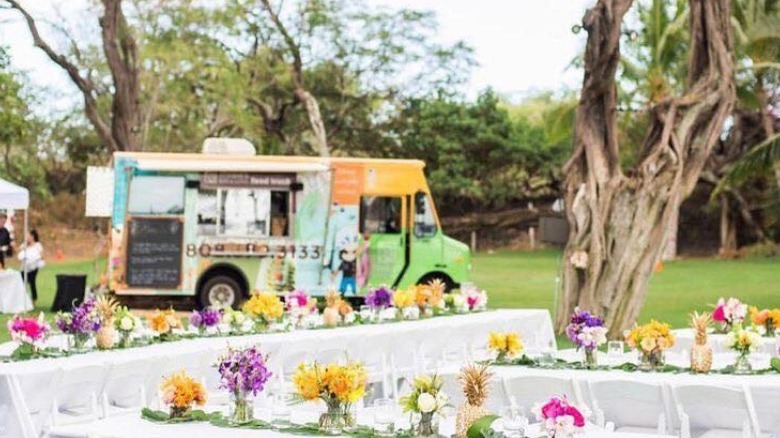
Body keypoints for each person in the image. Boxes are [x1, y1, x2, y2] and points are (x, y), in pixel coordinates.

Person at [18, 229, 43, 304]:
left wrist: (34, 258)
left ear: (32, 236)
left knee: (32, 282)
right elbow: (19, 251)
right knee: (22, 282)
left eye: (28, 235)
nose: (26, 237)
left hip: (33, 268)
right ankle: (23, 298)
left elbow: (41, 255)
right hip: (24, 268)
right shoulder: (25, 245)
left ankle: (33, 299)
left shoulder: (38, 245)